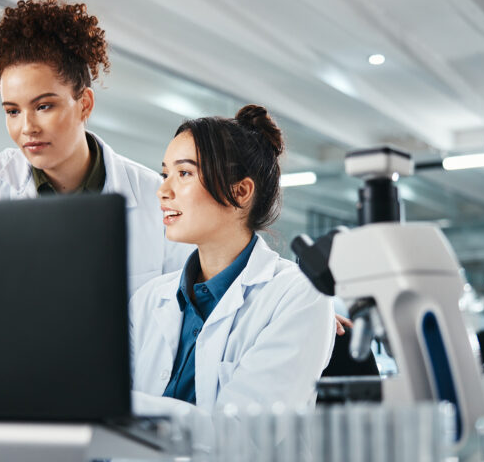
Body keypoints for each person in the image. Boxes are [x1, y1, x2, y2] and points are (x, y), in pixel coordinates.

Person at [0, 0, 191, 292]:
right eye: (13, 111)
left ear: (85, 104)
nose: (27, 128)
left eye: (44, 107)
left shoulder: (154, 197)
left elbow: (181, 313)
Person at [129, 105, 335, 419]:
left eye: (184, 173)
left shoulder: (298, 296)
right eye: (164, 174)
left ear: (240, 192)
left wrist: (118, 407)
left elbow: (242, 435)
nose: (162, 191)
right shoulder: (148, 300)